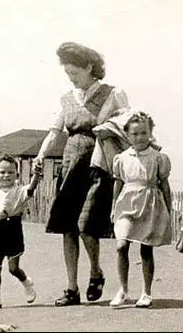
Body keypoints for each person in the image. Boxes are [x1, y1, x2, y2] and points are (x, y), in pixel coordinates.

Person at [34, 41, 129, 306]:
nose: (71, 78)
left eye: (74, 72)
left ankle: (96, 271)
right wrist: (41, 154)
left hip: (97, 165)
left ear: (89, 67)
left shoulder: (113, 93)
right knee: (68, 228)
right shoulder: (67, 99)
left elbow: (127, 126)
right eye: (67, 74)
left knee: (86, 225)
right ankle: (71, 288)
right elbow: (55, 131)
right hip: (70, 164)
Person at [109, 111, 172, 309]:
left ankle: (146, 292)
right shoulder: (121, 158)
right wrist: (113, 207)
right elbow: (118, 183)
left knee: (146, 249)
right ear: (127, 135)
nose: (140, 137)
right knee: (121, 245)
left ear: (150, 133)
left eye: (144, 133)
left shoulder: (158, 158)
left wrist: (168, 211)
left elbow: (165, 185)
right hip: (127, 202)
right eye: (135, 134)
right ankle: (123, 289)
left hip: (149, 202)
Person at [0, 152, 41, 310]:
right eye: (2, 172)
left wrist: (36, 174)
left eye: (10, 172)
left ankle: (27, 283)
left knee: (13, 268)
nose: (6, 175)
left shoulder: (19, 191)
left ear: (17, 174)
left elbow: (31, 188)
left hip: (12, 229)